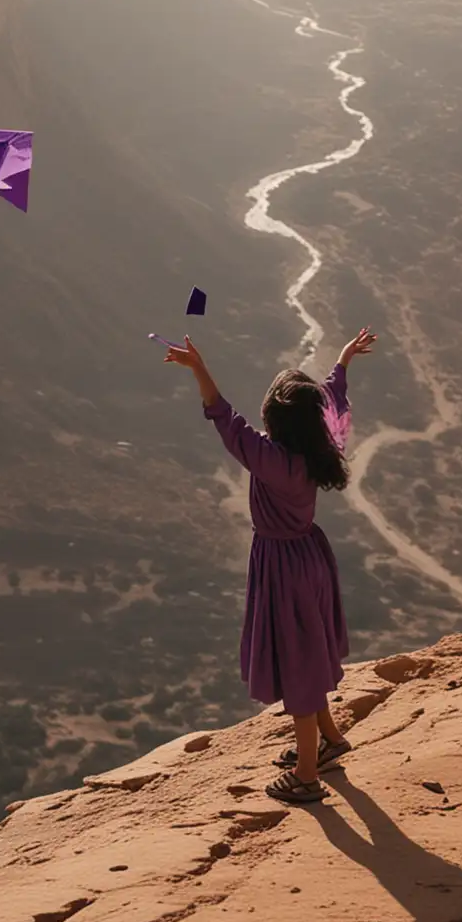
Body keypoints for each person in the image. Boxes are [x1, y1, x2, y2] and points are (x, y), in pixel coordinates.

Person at [165, 328, 377, 804]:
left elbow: (225, 420)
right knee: (309, 650)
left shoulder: (273, 462)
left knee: (298, 665)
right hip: (310, 557)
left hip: (283, 565)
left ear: (277, 423)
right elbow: (332, 397)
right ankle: (329, 739)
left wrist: (198, 369)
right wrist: (343, 360)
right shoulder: (319, 448)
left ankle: (306, 775)